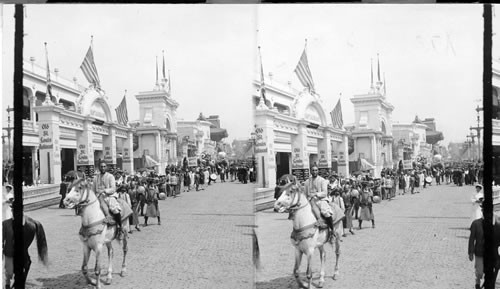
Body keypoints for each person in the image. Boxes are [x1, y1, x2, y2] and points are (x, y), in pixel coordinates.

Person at [304, 166, 336, 242]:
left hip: (320, 200)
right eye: (313, 170)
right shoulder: (307, 182)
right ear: (310, 171)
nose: (314, 172)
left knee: (326, 213)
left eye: (316, 170)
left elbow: (325, 193)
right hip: (310, 200)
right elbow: (305, 193)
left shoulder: (322, 180)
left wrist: (316, 194)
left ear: (318, 171)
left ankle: (332, 231)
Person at [93, 161, 123, 239]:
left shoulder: (110, 176)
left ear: (106, 167)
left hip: (109, 196)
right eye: (101, 166)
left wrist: (104, 191)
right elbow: (93, 190)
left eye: (104, 166)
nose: (102, 168)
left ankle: (120, 227)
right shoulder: (95, 178)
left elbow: (113, 189)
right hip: (98, 197)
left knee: (115, 209)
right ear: (99, 167)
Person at [469, 206, 485, 289]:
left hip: (490, 253)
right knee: (479, 271)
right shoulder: (476, 224)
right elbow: (472, 239)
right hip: (479, 252)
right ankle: (477, 283)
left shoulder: (495, 223)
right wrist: (470, 252)